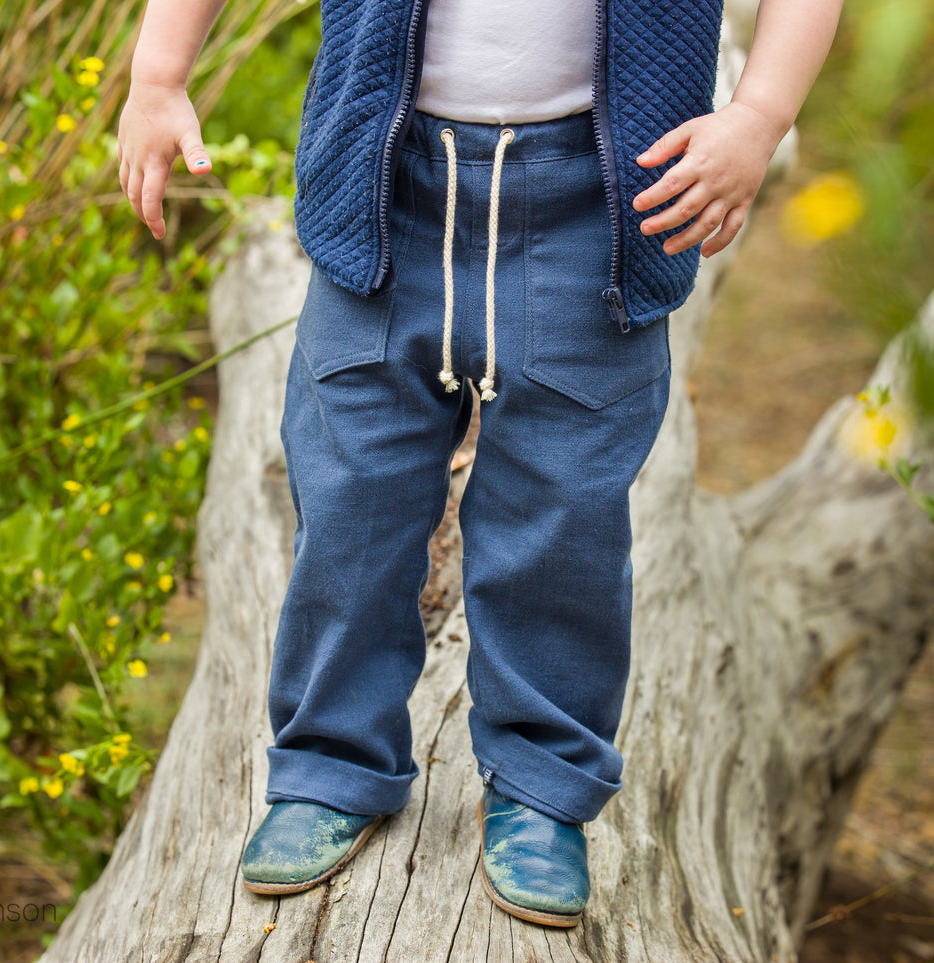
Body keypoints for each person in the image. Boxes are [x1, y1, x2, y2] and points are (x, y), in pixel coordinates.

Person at [119, 0, 841, 929]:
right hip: (385, 182)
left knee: (562, 510)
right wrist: (157, 77)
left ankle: (541, 782)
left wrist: (757, 117)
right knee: (351, 491)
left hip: (603, 202)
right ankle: (332, 760)